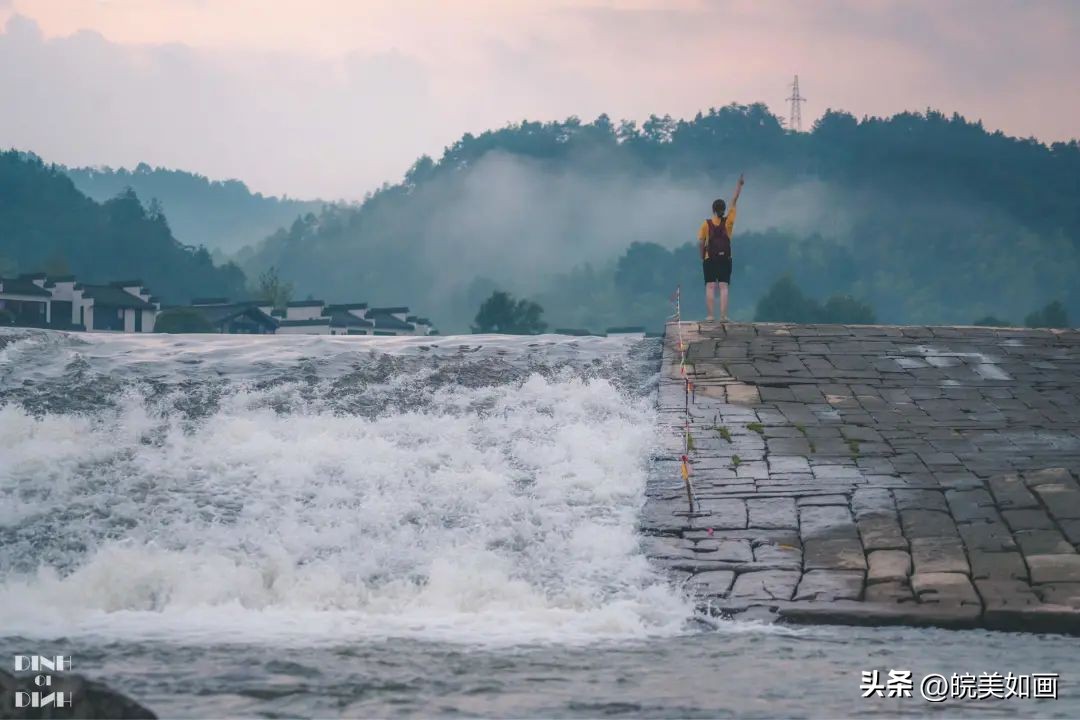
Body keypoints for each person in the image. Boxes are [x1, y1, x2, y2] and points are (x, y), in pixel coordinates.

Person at [698, 174, 744, 322]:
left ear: (713, 209)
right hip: (725, 259)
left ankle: (711, 316)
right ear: (724, 210)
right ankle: (723, 316)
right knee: (724, 287)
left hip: (709, 258)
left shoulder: (706, 224)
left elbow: (700, 242)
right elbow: (734, 200)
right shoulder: (729, 221)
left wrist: (702, 256)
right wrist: (739, 186)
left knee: (710, 287)